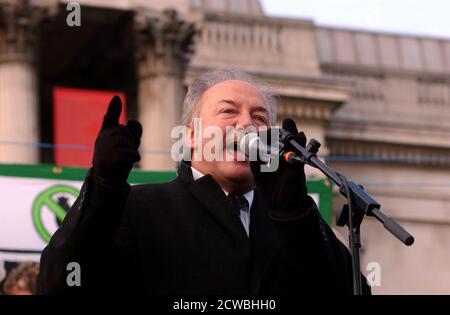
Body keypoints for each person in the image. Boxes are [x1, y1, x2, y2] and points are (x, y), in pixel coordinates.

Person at [38, 69, 370, 295]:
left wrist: (296, 215)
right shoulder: (138, 208)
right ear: (193, 135)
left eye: (259, 118)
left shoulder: (291, 220)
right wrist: (103, 188)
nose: (246, 126)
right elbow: (59, 285)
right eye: (228, 112)